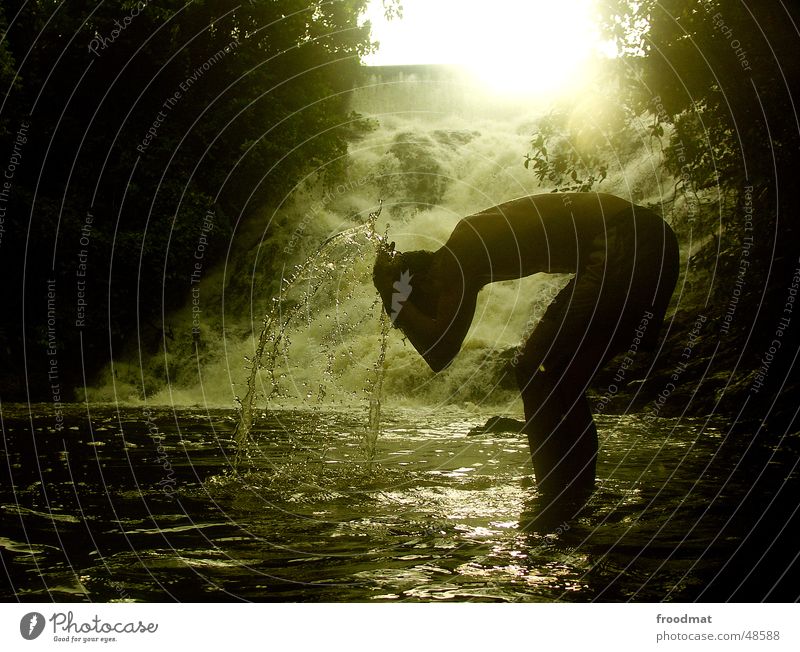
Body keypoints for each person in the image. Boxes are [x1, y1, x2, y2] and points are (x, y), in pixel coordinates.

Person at [373, 192, 679, 502]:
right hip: (640, 241)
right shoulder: (466, 256)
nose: (436, 312)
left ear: (424, 283)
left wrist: (389, 292)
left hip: (629, 241)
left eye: (424, 307)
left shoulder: (455, 258)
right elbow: (441, 351)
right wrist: (396, 298)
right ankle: (572, 494)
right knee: (553, 376)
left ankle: (561, 495)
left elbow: (440, 350)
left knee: (540, 369)